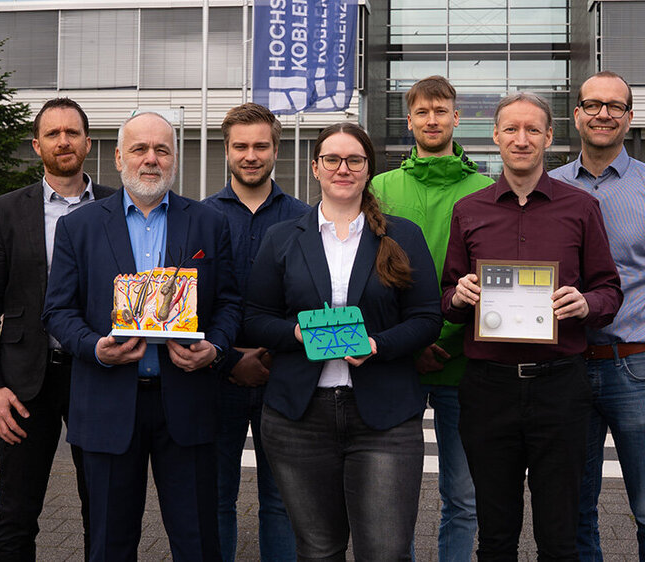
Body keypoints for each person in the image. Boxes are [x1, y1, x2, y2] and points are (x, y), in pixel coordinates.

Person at [42, 111, 240, 561]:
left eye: (161, 150)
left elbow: (229, 303)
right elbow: (57, 311)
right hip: (107, 405)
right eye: (139, 149)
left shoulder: (208, 223)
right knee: (109, 545)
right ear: (118, 157)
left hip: (186, 403)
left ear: (174, 159)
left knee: (198, 545)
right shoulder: (80, 227)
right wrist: (94, 348)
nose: (151, 159)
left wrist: (216, 349)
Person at [245, 122, 442, 561]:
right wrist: (295, 333)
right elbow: (254, 319)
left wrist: (377, 345)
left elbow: (428, 318)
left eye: (354, 159)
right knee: (317, 549)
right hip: (299, 416)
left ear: (368, 168)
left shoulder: (402, 235)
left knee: (386, 552)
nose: (343, 168)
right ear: (315, 167)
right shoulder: (283, 238)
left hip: (385, 416)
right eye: (332, 159)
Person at [441, 93, 623, 561]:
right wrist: (458, 298)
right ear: (496, 138)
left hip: (560, 385)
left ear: (548, 137)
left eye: (531, 130)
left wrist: (586, 303)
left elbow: (609, 289)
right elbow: (446, 297)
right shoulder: (470, 209)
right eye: (510, 130)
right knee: (496, 534)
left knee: (560, 536)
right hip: (488, 388)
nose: (521, 140)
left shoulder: (580, 207)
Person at [549, 71, 645, 561]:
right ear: (576, 115)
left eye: (615, 106)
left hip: (638, 367)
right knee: (574, 509)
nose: (603, 114)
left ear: (630, 117)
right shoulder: (549, 188)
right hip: (567, 367)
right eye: (593, 105)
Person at [0, 98, 112, 561]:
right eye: (53, 134)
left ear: (88, 142)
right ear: (37, 146)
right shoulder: (7, 211)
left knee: (106, 508)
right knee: (16, 511)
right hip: (25, 383)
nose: (63, 141)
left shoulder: (118, 206)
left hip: (97, 375)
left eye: (72, 132)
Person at [370, 75, 490, 561]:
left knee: (462, 495)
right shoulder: (381, 187)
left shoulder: (486, 188)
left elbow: (490, 276)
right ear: (409, 120)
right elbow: (367, 276)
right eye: (422, 112)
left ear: (456, 118)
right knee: (389, 493)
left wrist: (451, 338)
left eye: (441, 111)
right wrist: (411, 342)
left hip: (464, 360)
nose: (432, 120)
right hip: (399, 359)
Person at [202, 103, 308, 562]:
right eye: (240, 146)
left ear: (276, 151)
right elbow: (188, 302)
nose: (251, 155)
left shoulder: (306, 218)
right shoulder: (197, 217)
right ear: (226, 151)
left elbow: (313, 297)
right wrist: (228, 359)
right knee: (214, 499)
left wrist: (271, 353)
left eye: (260, 146)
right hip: (212, 377)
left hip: (283, 376)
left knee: (283, 503)